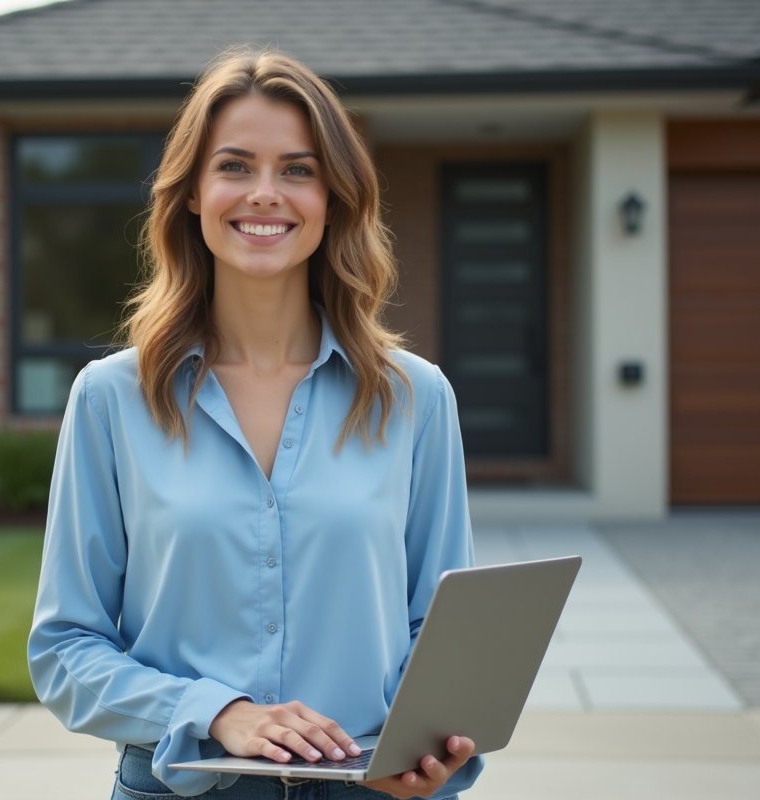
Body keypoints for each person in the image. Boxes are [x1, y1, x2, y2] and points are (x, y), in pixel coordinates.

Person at [29, 47, 483, 799]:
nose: (265, 194)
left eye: (298, 170)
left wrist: (433, 757)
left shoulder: (416, 398)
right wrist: (219, 711)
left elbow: (444, 633)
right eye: (235, 167)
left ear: (334, 198)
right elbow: (64, 650)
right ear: (191, 196)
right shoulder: (111, 398)